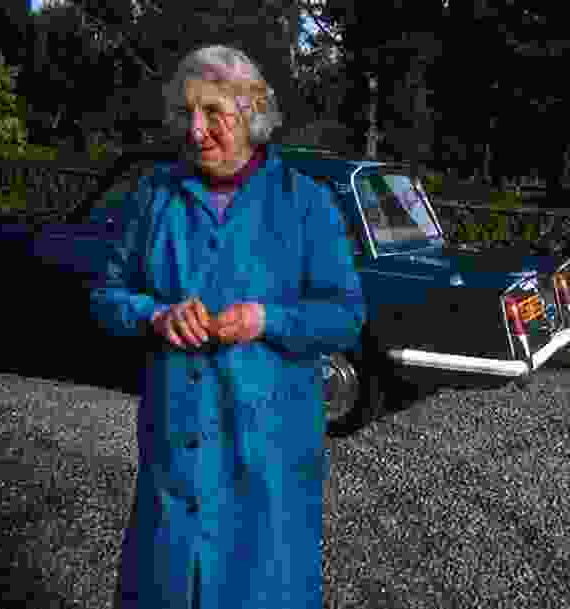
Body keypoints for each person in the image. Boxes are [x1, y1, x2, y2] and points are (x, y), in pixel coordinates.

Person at [89, 44, 366, 609]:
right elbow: (106, 297)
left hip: (268, 466)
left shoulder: (306, 204)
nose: (195, 130)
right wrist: (154, 314)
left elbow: (345, 316)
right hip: (175, 460)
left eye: (213, 112)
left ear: (253, 112)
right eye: (188, 113)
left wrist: (269, 318)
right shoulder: (153, 198)